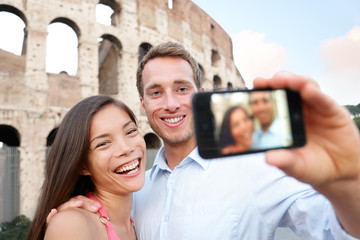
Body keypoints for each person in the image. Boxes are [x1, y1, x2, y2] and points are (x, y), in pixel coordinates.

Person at [50, 42, 360, 239]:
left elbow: (334, 228)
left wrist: (346, 182)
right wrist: (80, 214)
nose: (170, 103)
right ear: (143, 105)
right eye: (156, 92)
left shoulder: (257, 168)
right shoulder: (134, 190)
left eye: (182, 88)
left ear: (201, 95)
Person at [26, 95, 146, 240]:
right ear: (83, 166)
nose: (126, 148)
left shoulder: (137, 222)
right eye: (103, 143)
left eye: (131, 131)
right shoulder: (72, 224)